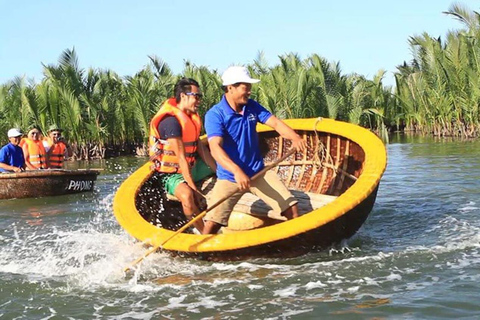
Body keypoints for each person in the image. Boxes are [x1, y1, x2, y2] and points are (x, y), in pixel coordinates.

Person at [203, 66, 307, 234]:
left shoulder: (252, 107)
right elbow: (215, 148)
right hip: (230, 177)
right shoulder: (215, 115)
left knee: (292, 209)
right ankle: (202, 254)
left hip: (258, 173)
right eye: (246, 87)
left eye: (250, 87)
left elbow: (276, 123)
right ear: (231, 87)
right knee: (212, 224)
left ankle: (297, 246)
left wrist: (295, 137)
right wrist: (236, 171)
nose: (249, 91)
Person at [149, 78, 216, 234]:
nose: (199, 100)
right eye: (196, 96)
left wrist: (220, 170)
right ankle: (202, 232)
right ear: (183, 96)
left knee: (225, 162)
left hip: (191, 167)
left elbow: (201, 149)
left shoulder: (191, 119)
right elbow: (180, 158)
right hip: (171, 174)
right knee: (187, 196)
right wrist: (193, 189)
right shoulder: (171, 122)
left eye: (200, 96)